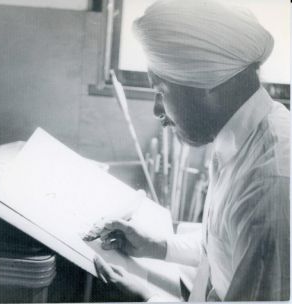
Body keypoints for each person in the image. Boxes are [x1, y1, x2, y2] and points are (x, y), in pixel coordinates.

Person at [94, 0, 290, 301]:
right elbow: (223, 246)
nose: (158, 112)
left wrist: (149, 298)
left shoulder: (269, 185)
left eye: (161, 91)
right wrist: (156, 245)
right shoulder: (242, 136)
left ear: (207, 82)